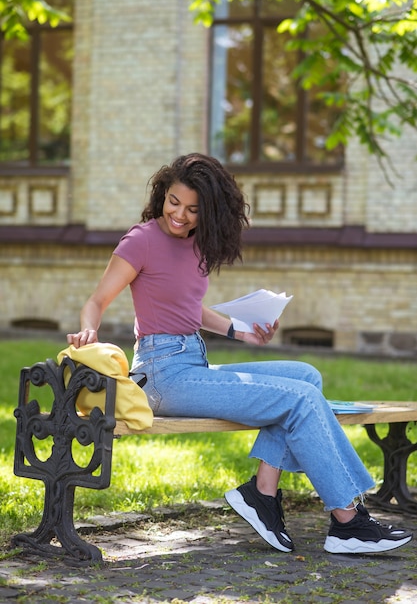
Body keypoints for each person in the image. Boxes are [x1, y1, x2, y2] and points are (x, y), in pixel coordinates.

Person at [67, 152, 412, 555]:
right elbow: (97, 299)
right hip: (161, 374)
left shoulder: (196, 245)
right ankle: (347, 520)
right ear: (162, 195)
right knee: (298, 401)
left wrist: (238, 330)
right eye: (173, 202)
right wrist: (89, 329)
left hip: (191, 361)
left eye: (193, 209)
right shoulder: (141, 240)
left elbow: (186, 306)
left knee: (306, 377)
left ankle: (262, 494)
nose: (180, 215)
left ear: (208, 211)